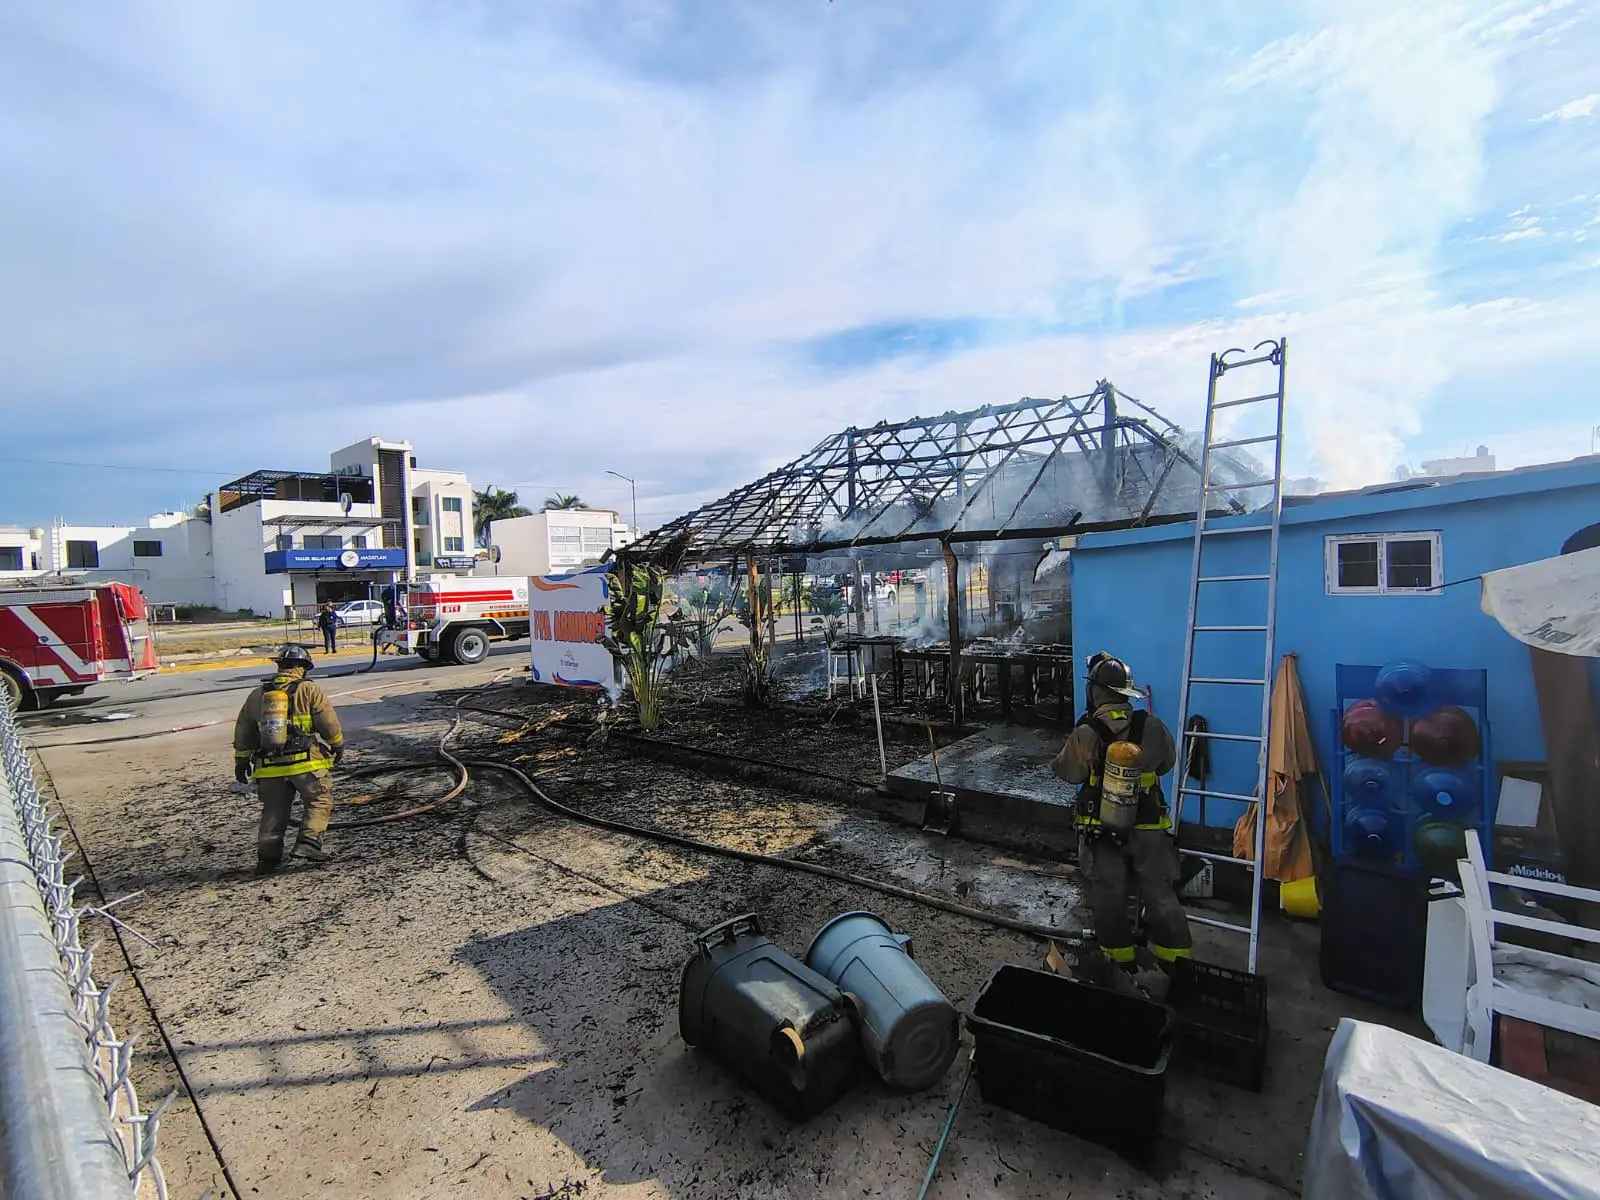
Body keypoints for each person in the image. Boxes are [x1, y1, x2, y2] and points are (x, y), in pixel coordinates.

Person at [1052, 651, 1192, 994]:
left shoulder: (1088, 730)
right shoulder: (1151, 725)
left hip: (1103, 830)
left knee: (1109, 895)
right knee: (1160, 894)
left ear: (1095, 691)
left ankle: (1120, 967)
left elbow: (1069, 773)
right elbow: (1167, 764)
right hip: (1150, 829)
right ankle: (1178, 966)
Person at [233, 645, 345, 875]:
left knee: (273, 810)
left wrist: (241, 760)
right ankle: (308, 843)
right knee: (319, 800)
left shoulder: (257, 695)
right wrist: (337, 744)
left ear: (280, 666)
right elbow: (327, 721)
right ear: (302, 667)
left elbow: (244, 729)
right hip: (306, 763)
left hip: (269, 767)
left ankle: (267, 858)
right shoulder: (309, 690)